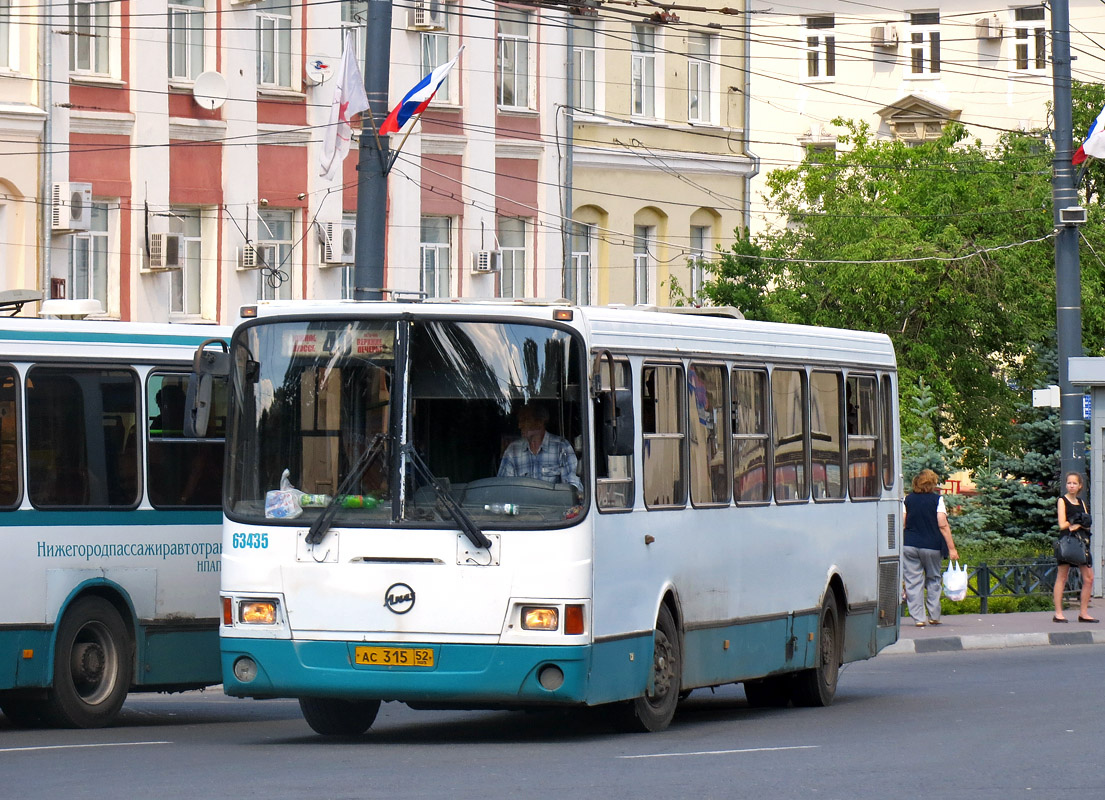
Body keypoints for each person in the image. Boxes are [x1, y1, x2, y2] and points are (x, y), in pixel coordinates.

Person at [902, 468, 958, 628]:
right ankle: (934, 615)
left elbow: (903, 523)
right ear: (932, 483)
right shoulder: (937, 500)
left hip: (910, 545)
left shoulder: (907, 499)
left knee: (913, 581)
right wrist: (952, 548)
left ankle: (919, 618)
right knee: (933, 578)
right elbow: (942, 524)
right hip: (932, 546)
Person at [498, 401, 582, 493]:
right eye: (519, 421)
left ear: (540, 422)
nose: (519, 426)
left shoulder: (561, 447)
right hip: (522, 506)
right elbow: (503, 489)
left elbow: (573, 489)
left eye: (525, 420)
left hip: (553, 506)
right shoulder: (513, 450)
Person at [1053, 471, 1097, 623]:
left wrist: (1081, 523)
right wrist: (1075, 522)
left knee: (1089, 578)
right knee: (1062, 577)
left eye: (1074, 483)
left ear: (1080, 486)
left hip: (1082, 543)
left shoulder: (1082, 503)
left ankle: (1083, 613)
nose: (1071, 486)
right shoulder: (1062, 501)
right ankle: (1058, 613)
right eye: (1069, 483)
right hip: (1067, 542)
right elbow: (1062, 525)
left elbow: (1087, 525)